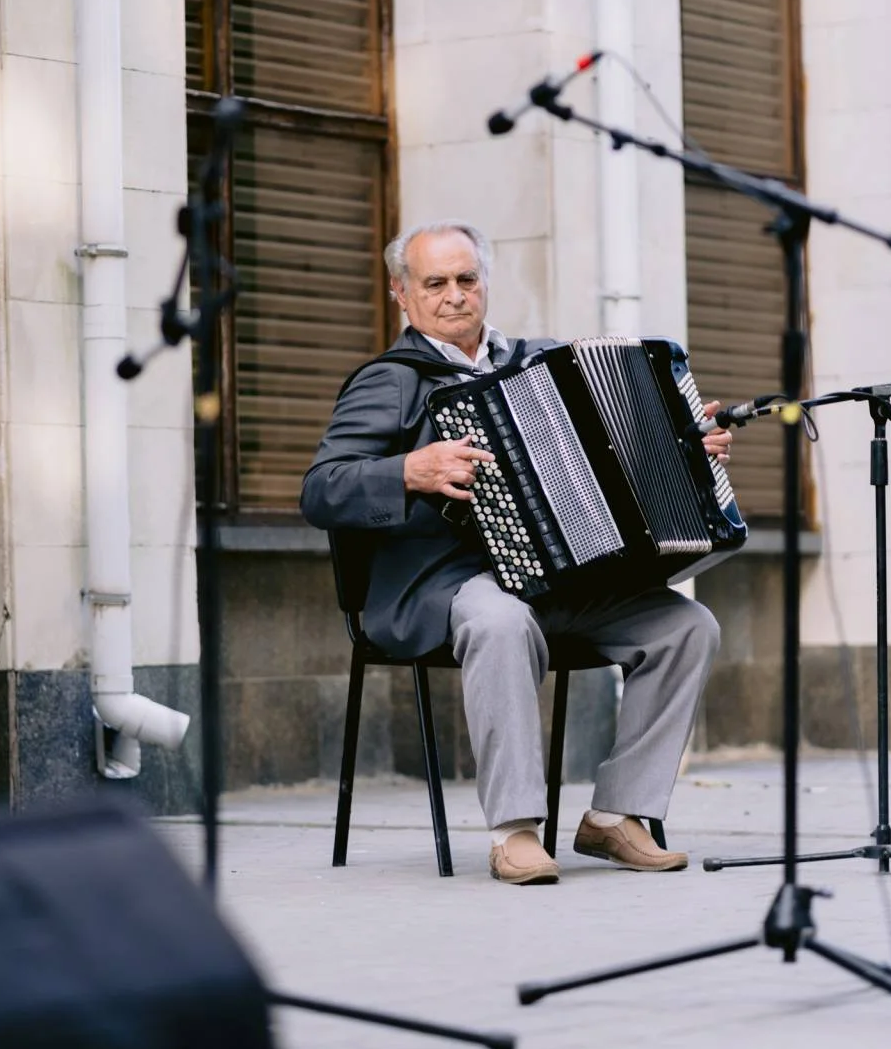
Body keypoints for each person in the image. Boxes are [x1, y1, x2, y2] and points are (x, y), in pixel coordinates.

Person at [300, 222, 731, 885]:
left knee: (686, 626)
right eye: (434, 283)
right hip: (444, 585)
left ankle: (618, 816)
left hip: (555, 581)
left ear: (486, 285)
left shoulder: (535, 360)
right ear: (401, 293)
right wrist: (410, 469)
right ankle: (515, 831)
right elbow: (321, 490)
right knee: (501, 619)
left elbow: (623, 448)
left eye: (466, 279)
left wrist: (686, 447)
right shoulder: (389, 383)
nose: (453, 296)